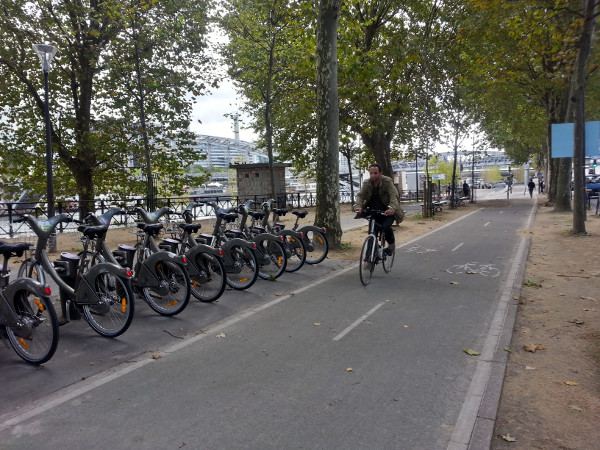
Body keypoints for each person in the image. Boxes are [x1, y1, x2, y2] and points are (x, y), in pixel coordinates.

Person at [355, 163, 404, 255]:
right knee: (371, 232)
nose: (373, 175)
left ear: (380, 173)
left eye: (375, 173)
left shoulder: (387, 181)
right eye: (371, 173)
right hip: (374, 211)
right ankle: (370, 257)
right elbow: (361, 196)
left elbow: (394, 196)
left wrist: (391, 208)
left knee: (385, 227)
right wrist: (358, 206)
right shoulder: (367, 183)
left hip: (387, 212)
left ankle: (391, 244)